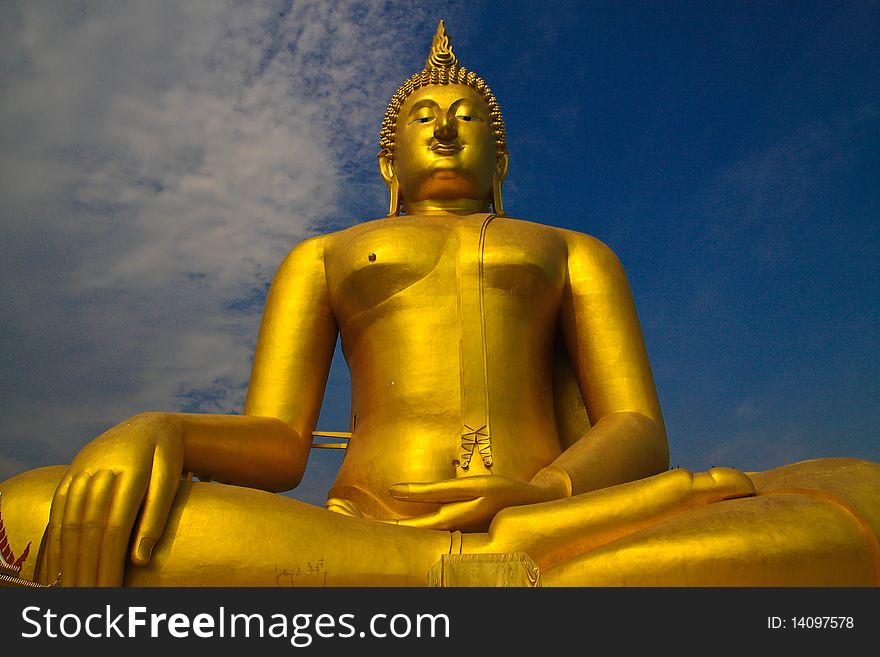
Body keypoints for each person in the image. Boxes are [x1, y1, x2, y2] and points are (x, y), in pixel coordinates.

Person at [1, 22, 878, 588]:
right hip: (367, 538)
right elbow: (277, 445)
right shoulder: (325, 253)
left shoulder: (570, 250)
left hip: (551, 517)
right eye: (425, 116)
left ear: (503, 157)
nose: (447, 127)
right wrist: (160, 430)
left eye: (467, 117)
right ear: (389, 164)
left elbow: (638, 426)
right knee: (29, 508)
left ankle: (499, 562)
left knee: (854, 493)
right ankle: (472, 571)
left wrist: (540, 494)